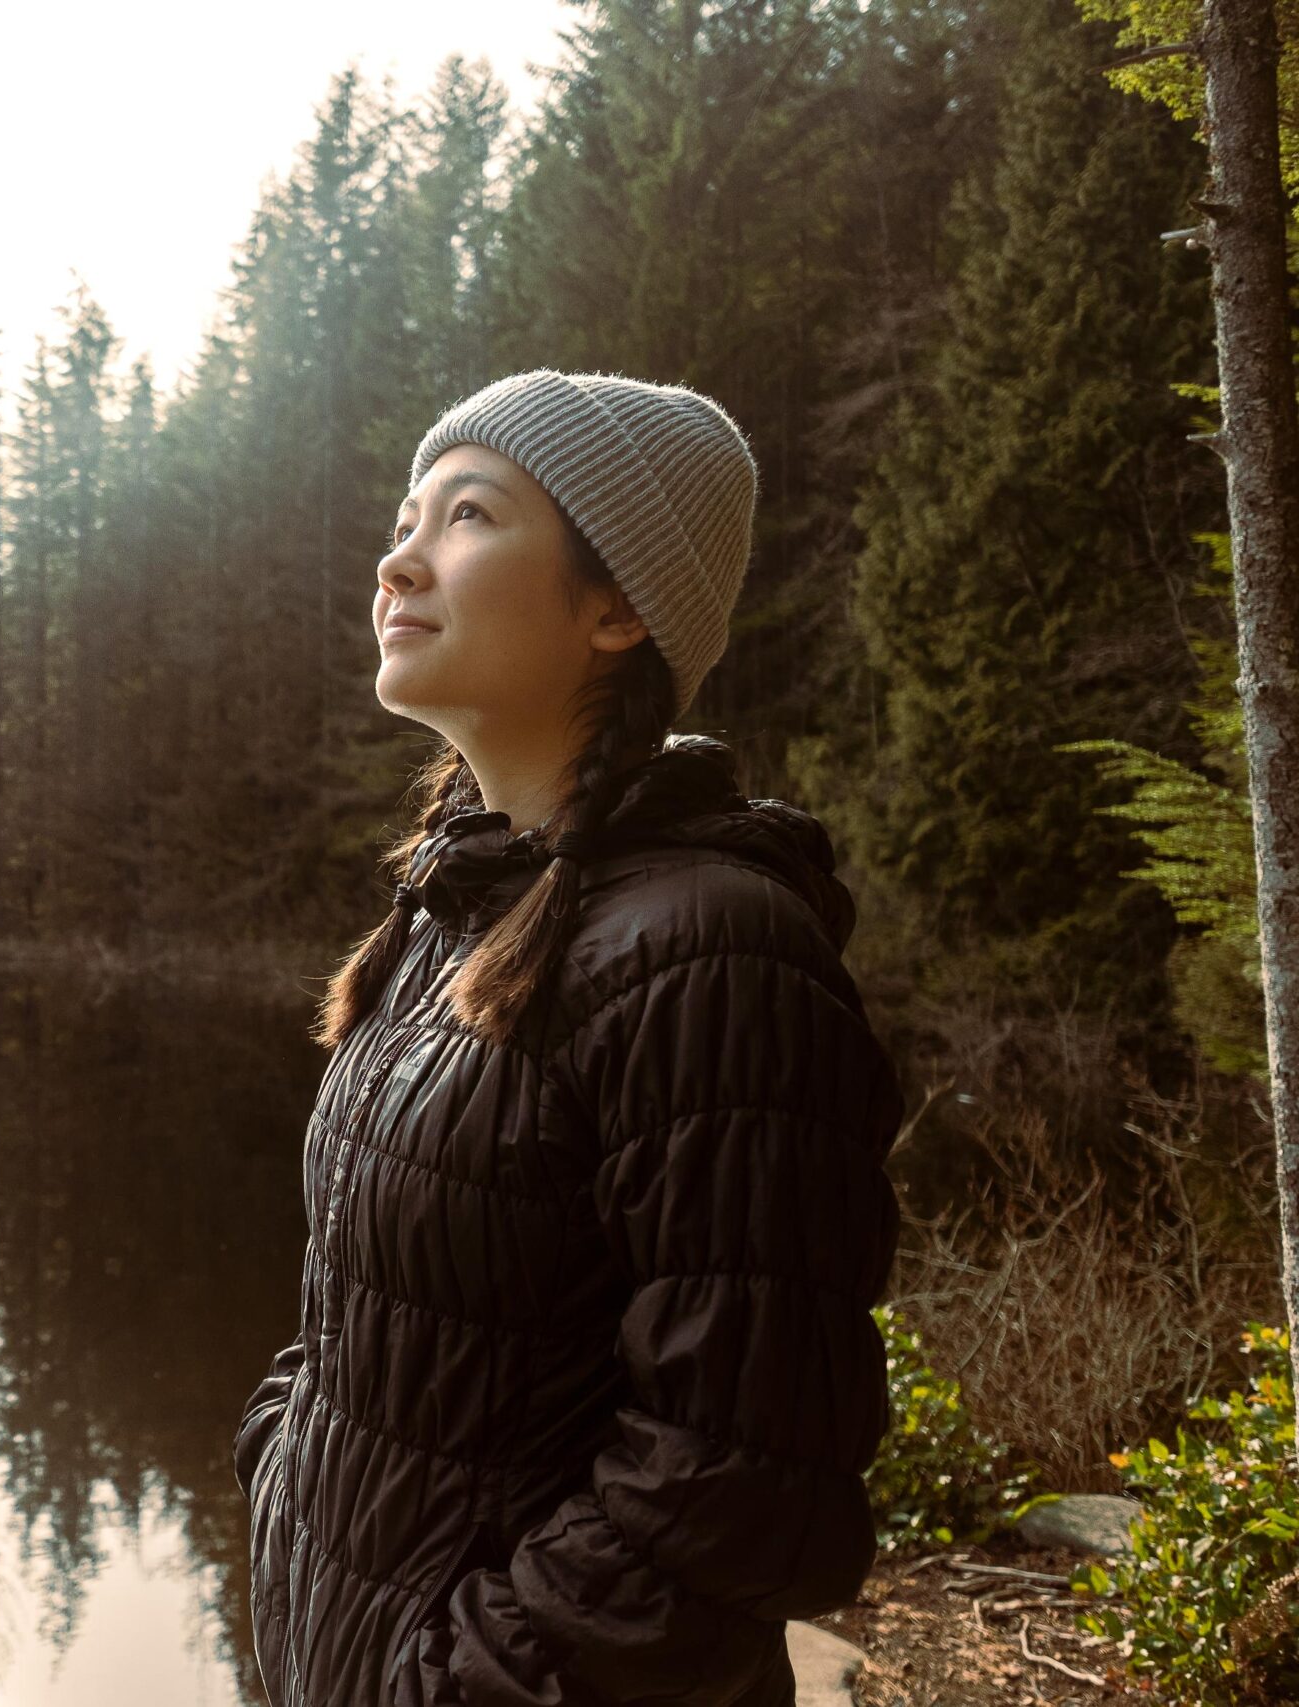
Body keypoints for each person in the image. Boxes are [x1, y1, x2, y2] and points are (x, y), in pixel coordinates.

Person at [232, 369, 905, 1707]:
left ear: (617, 609)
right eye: (407, 512)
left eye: (467, 515)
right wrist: (280, 1480)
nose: (399, 557)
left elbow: (739, 1483)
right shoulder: (463, 909)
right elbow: (361, 1323)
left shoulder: (714, 952)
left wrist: (458, 1683)